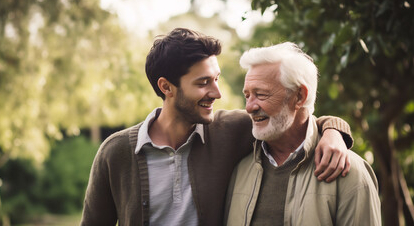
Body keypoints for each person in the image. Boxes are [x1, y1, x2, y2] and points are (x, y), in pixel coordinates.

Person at [81, 28, 353, 226]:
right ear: (166, 87)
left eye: (216, 79)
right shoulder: (115, 152)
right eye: (203, 83)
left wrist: (333, 131)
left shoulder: (230, 130)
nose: (217, 93)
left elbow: (294, 118)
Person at [224, 42, 381, 225]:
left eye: (261, 94)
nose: (249, 107)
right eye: (247, 95)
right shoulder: (239, 169)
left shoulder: (350, 172)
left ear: (299, 97)